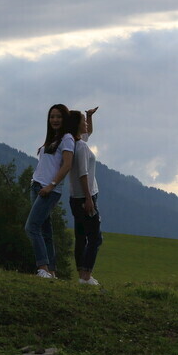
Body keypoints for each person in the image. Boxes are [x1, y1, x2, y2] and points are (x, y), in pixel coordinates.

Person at [25, 104, 74, 278]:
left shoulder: (67, 138)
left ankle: (42, 268)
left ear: (65, 119)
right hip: (37, 185)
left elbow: (67, 165)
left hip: (49, 189)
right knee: (45, 230)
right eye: (52, 116)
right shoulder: (53, 138)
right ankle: (52, 271)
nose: (54, 120)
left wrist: (51, 185)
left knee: (31, 226)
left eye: (59, 117)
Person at [67, 109, 103, 285]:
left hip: (75, 197)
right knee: (95, 238)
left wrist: (89, 116)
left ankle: (82, 274)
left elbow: (88, 133)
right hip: (84, 198)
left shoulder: (75, 143)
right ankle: (86, 276)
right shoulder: (80, 147)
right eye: (83, 120)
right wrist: (89, 199)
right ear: (76, 125)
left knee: (81, 237)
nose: (86, 124)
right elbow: (83, 173)